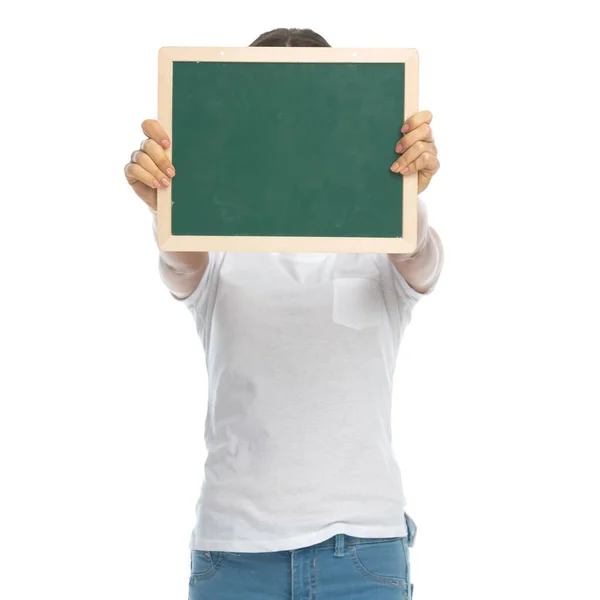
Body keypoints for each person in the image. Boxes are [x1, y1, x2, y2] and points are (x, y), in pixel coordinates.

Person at [124, 27, 443, 600]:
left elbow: (419, 257)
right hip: (233, 557)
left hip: (363, 552)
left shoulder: (382, 242)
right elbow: (179, 257)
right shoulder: (216, 248)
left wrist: (406, 192)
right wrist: (166, 201)